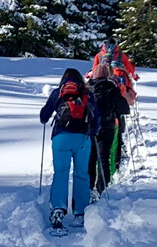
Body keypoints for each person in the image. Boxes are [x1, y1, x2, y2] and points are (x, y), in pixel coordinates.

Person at [39, 67, 100, 222]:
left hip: (61, 137)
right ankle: (80, 211)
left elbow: (44, 116)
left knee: (61, 173)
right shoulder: (87, 93)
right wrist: (91, 134)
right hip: (82, 139)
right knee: (82, 174)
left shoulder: (58, 92)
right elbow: (96, 118)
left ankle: (58, 209)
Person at [86, 64, 131, 194]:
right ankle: (102, 189)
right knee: (104, 158)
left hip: (90, 128)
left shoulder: (87, 89)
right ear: (107, 75)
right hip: (107, 127)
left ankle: (89, 188)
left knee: (91, 158)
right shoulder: (112, 89)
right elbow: (124, 109)